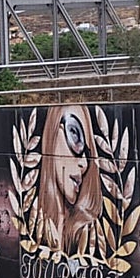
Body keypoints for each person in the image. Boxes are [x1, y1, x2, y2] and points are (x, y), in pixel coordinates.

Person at [36, 104, 102, 256]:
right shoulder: (37, 224)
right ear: (52, 133)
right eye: (75, 134)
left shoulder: (88, 231)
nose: (84, 164)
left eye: (87, 151)